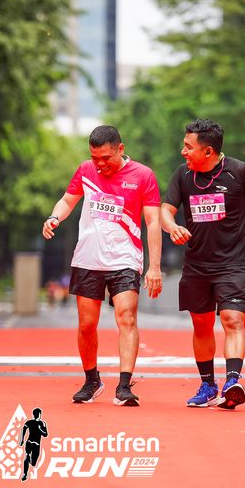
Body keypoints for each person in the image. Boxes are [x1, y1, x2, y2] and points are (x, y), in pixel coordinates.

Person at [160, 118, 245, 409]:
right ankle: (208, 385)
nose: (183, 151)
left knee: (233, 319)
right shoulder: (182, 175)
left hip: (233, 264)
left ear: (208, 151)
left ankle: (233, 381)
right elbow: (165, 211)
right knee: (202, 325)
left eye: (188, 147)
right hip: (196, 265)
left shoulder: (240, 172)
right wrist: (172, 227)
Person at [42, 125, 162, 407]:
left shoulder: (143, 175)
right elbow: (67, 200)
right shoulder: (86, 170)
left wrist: (154, 267)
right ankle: (91, 380)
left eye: (106, 158)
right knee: (86, 325)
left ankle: (124, 386)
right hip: (88, 259)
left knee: (126, 317)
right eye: (95, 158)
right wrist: (54, 217)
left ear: (121, 149)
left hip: (125, 258)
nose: (100, 164)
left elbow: (153, 222)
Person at [18, 407, 48, 482]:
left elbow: (23, 430)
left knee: (31, 461)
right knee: (30, 459)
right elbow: (45, 434)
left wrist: (22, 440)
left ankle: (26, 471)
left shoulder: (38, 423)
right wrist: (40, 429)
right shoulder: (37, 423)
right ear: (39, 414)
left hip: (31, 443)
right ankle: (25, 473)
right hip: (34, 443)